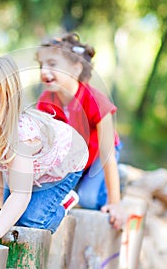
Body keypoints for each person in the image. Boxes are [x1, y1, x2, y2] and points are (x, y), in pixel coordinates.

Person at [0, 53, 88, 245]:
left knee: (30, 222)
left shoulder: (22, 139)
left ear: (9, 103)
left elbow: (20, 194)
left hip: (66, 161)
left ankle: (63, 202)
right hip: (31, 167)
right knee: (7, 217)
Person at [36, 32, 125, 230]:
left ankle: (119, 180)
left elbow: (107, 153)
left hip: (101, 155)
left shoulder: (96, 101)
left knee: (89, 198)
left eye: (52, 64)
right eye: (41, 65)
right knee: (57, 196)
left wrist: (115, 202)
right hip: (75, 160)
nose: (44, 71)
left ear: (76, 68)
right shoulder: (46, 101)